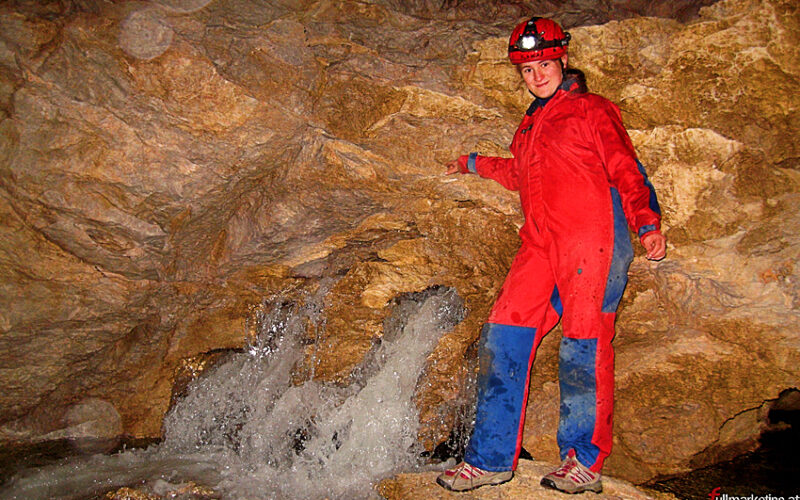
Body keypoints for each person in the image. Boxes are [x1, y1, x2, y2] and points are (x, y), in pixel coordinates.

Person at [435, 16, 666, 494]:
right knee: (503, 333)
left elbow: (625, 167)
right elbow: (520, 174)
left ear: (562, 60)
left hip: (592, 241)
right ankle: (490, 459)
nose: (536, 75)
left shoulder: (591, 109)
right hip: (541, 243)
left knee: (583, 343)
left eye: (543, 64)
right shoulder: (530, 125)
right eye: (527, 69)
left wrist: (647, 223)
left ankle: (583, 462)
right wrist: (473, 164)